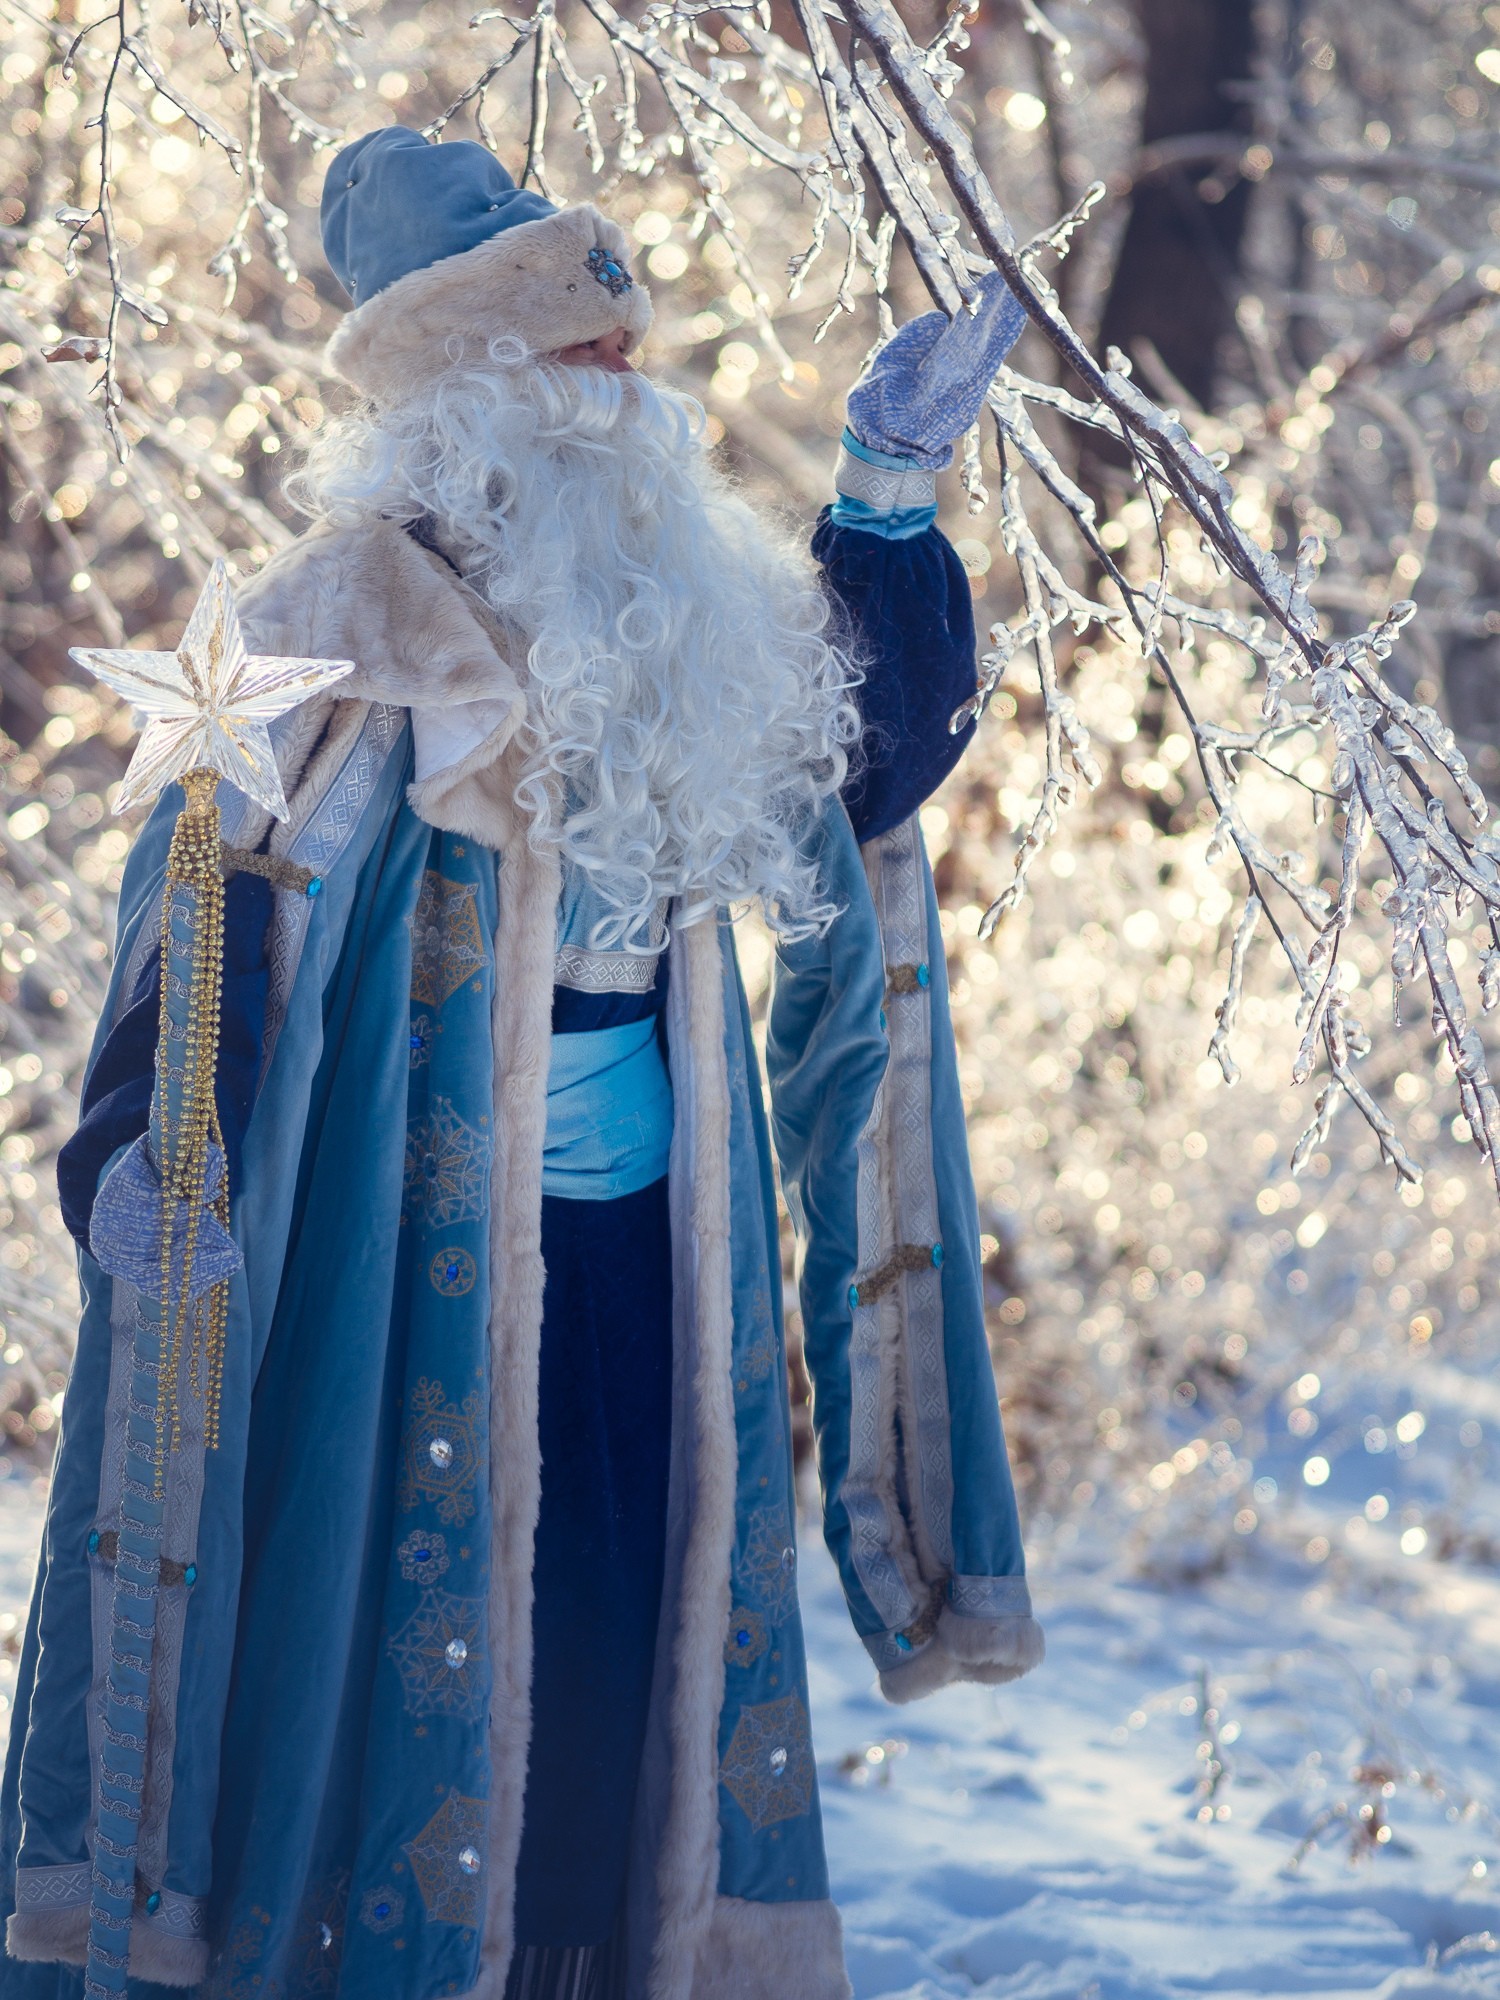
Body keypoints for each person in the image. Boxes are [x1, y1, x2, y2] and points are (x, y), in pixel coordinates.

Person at [0, 126, 1041, 2000]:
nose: (624, 390)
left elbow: (845, 791)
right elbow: (204, 911)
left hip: (658, 1266)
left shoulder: (678, 621)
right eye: (577, 359)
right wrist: (161, 1159)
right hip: (397, 1289)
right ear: (460, 389)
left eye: (622, 354)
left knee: (624, 1674)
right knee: (406, 1680)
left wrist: (883, 504)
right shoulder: (326, 625)